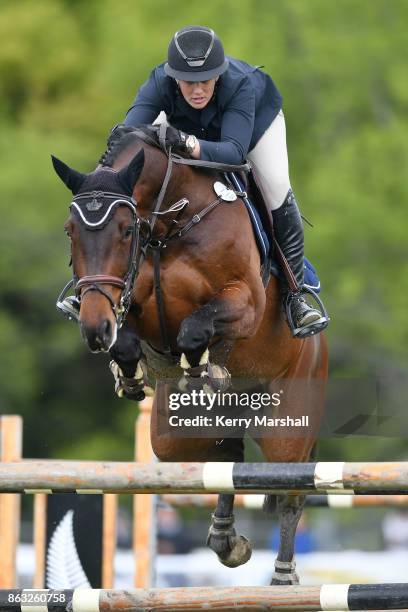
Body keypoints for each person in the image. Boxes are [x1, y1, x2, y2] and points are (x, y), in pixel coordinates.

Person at [58, 25, 328, 337]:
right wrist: (103, 186)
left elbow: (233, 152)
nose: (197, 90)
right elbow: (125, 138)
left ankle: (295, 296)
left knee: (278, 188)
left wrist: (185, 143)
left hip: (251, 131)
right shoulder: (158, 83)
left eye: (205, 80)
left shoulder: (239, 85)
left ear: (219, 74)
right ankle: (92, 282)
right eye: (188, 82)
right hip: (186, 127)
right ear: (174, 77)